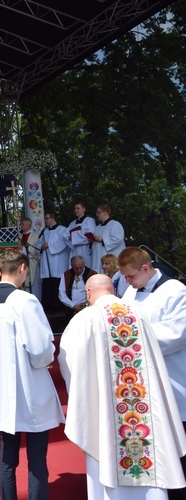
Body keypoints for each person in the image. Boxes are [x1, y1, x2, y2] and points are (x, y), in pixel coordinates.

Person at [59, 274, 186, 498]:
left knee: (106, 453)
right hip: (143, 408)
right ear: (114, 291)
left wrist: (83, 399)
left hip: (105, 411)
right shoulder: (139, 315)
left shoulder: (84, 319)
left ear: (88, 293)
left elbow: (69, 362)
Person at [0, 248, 65, 500]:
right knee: (37, 458)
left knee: (7, 457)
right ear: (23, 269)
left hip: (0, 390)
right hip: (29, 389)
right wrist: (47, 358)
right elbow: (40, 349)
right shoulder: (25, 301)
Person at [119, 246, 186, 496]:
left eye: (130, 276)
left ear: (145, 268)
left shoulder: (176, 291)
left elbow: (176, 334)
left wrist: (130, 338)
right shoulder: (130, 291)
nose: (126, 282)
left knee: (180, 451)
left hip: (174, 381)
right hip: (142, 386)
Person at [38, 211, 70, 313]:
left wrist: (50, 246)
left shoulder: (62, 230)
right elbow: (38, 243)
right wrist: (41, 247)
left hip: (58, 261)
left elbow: (64, 243)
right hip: (47, 262)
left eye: (46, 219)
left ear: (52, 218)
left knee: (57, 282)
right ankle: (48, 307)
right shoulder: (44, 231)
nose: (45, 221)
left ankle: (59, 307)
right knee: (48, 283)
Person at [90, 204, 125, 274]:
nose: (96, 214)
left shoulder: (115, 224)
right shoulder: (97, 228)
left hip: (110, 257)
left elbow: (118, 239)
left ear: (105, 213)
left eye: (98, 212)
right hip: (97, 258)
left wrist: (103, 240)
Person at [19, 217, 42, 301]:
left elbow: (37, 248)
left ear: (29, 225)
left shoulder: (36, 235)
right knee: (24, 283)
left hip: (32, 262)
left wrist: (30, 253)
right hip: (22, 262)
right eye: (21, 224)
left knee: (34, 284)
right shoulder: (20, 236)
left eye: (23, 224)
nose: (21, 226)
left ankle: (36, 300)